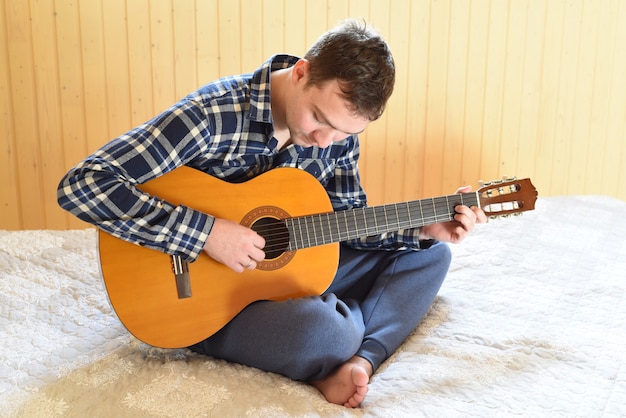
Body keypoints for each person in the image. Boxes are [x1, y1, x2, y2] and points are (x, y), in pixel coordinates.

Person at [57, 19, 487, 408]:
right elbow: (84, 184)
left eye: (344, 131)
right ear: (301, 72)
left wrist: (425, 227)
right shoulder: (211, 115)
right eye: (319, 118)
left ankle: (358, 360)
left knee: (430, 255)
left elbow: (347, 221)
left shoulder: (336, 138)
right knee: (327, 332)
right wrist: (207, 234)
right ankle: (339, 332)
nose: (325, 140)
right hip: (200, 299)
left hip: (280, 276)